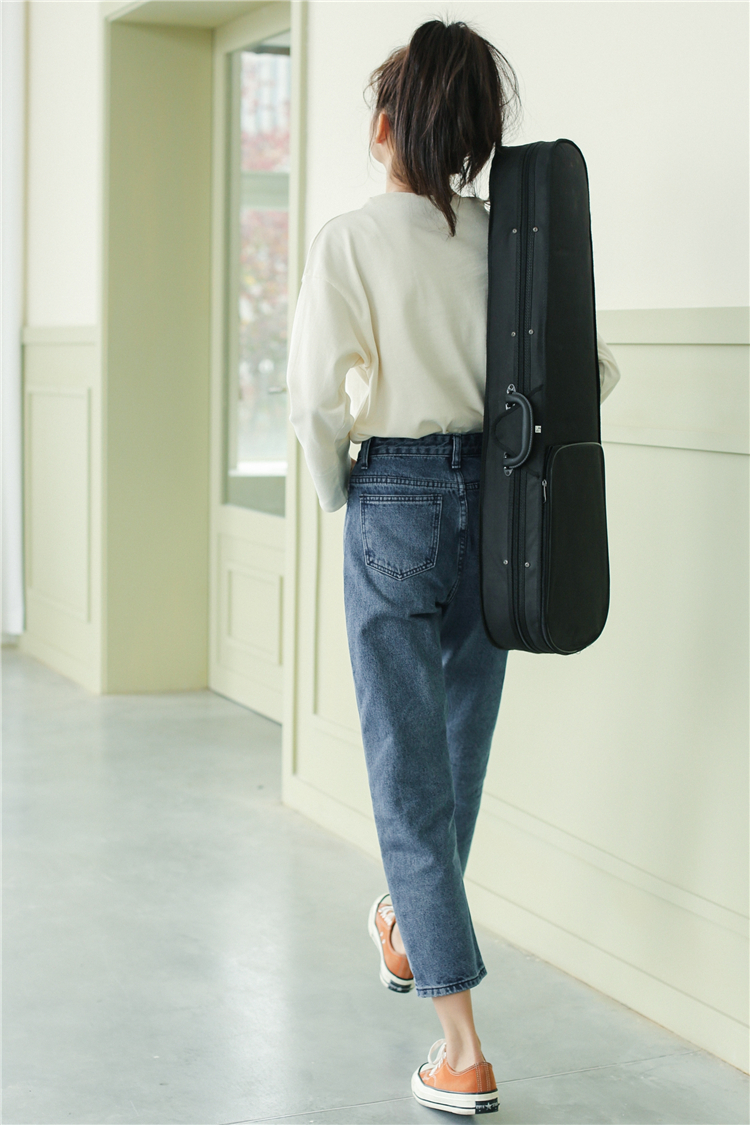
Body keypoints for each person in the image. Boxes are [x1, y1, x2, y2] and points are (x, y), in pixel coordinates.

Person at [287, 18, 621, 1117]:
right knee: (458, 752)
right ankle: (404, 922)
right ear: (475, 133)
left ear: (388, 126)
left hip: (394, 494)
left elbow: (312, 403)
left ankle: (461, 1047)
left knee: (404, 772)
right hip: (500, 501)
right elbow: (590, 372)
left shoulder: (350, 240)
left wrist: (343, 493)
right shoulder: (508, 240)